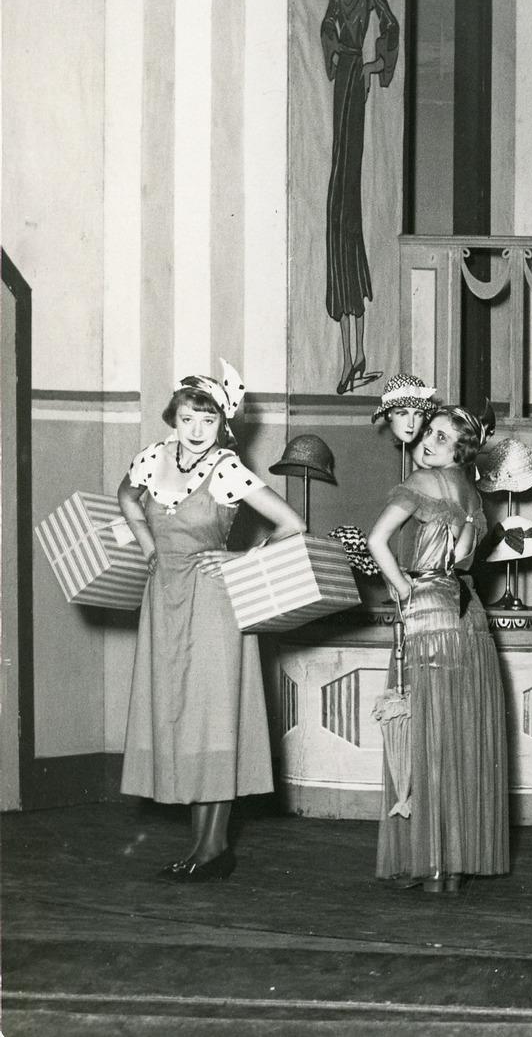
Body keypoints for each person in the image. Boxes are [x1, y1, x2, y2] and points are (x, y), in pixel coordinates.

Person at [118, 362, 305, 880]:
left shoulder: (227, 468)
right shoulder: (152, 458)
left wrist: (241, 559)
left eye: (208, 420)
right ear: (173, 418)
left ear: (223, 424)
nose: (196, 429)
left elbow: (292, 524)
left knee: (214, 717)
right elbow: (126, 498)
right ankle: (204, 845)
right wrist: (149, 546)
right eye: (187, 418)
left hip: (213, 603)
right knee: (180, 717)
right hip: (164, 599)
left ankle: (213, 845)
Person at [366, 406, 508, 894]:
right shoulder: (473, 495)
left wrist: (404, 587)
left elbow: (377, 540)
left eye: (443, 437)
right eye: (429, 432)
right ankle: (450, 864)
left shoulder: (423, 481)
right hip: (468, 619)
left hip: (428, 617)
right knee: (456, 737)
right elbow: (463, 558)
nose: (428, 440)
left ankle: (426, 861)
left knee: (424, 735)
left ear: (461, 450)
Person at [320, 0, 400, 397]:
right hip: (342, 82)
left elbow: (390, 23)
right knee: (336, 202)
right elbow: (328, 19)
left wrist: (375, 65)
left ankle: (359, 352)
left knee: (346, 204)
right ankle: (353, 353)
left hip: (357, 84)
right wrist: (334, 46)